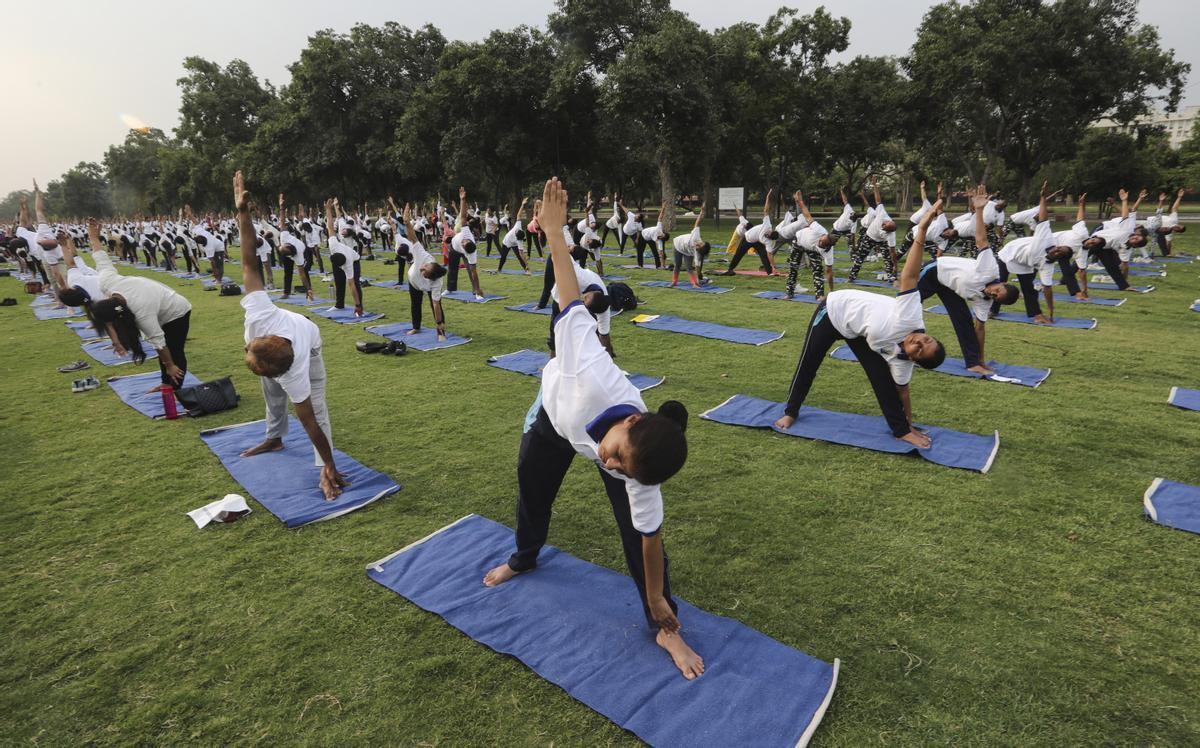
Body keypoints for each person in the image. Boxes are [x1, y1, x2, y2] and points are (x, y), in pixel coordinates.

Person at [483, 177, 703, 681]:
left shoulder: (639, 468)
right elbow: (567, 289)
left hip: (584, 424)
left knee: (635, 535)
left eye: (621, 467)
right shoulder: (589, 367)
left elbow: (647, 536)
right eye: (617, 455)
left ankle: (666, 628)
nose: (610, 463)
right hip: (556, 415)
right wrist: (557, 235)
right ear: (630, 421)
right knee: (531, 485)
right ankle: (525, 555)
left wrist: (653, 596)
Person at [774, 201, 947, 448]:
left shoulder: (901, 361)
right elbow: (909, 277)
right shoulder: (911, 317)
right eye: (926, 340)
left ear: (913, 360)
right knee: (809, 362)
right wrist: (921, 232)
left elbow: (903, 391)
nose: (918, 342)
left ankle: (899, 430)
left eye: (919, 350)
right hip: (834, 311)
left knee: (882, 379)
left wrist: (907, 425)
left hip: (860, 332)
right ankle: (791, 412)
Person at [232, 172, 344, 501]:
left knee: (317, 410)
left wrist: (329, 466)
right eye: (249, 352)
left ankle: (323, 467)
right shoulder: (260, 315)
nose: (246, 351)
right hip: (284, 338)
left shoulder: (295, 375)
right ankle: (275, 437)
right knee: (272, 398)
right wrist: (242, 213)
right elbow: (249, 260)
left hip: (310, 342)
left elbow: (310, 423)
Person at [918, 185, 1021, 375]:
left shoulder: (985, 301)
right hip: (935, 271)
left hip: (950, 286)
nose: (993, 293)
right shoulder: (990, 269)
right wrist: (980, 210)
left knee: (965, 320)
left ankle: (973, 363)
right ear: (1002, 282)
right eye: (998, 290)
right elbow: (981, 239)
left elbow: (979, 329)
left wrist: (981, 360)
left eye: (996, 297)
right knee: (909, 306)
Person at [88, 222, 193, 391]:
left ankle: (174, 388)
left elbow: (159, 342)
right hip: (157, 305)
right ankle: (166, 383)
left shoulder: (140, 311)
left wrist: (170, 365)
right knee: (164, 352)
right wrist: (93, 237)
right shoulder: (107, 283)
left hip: (177, 311)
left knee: (173, 349)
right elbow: (100, 258)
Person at [993, 183, 1072, 323]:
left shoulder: (1047, 267)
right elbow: (1043, 217)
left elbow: (1048, 289)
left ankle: (1037, 315)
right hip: (1008, 253)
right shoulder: (1046, 239)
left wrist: (1051, 312)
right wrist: (1042, 197)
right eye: (1059, 248)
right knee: (1000, 283)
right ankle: (993, 310)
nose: (1057, 251)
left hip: (1025, 265)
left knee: (1029, 289)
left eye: (1060, 254)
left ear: (1058, 259)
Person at [399, 203, 449, 341]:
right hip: (413, 283)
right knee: (415, 304)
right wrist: (407, 222)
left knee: (436, 306)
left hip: (424, 286)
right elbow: (413, 237)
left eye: (424, 272)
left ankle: (441, 330)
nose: (421, 268)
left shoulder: (436, 283)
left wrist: (439, 329)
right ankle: (416, 327)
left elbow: (436, 305)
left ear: (431, 278)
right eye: (424, 268)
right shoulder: (422, 256)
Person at [784, 191, 840, 301]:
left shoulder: (828, 252)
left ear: (826, 246)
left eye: (822, 243)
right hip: (799, 242)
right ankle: (789, 292)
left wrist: (831, 292)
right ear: (824, 235)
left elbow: (829, 272)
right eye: (821, 240)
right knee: (793, 267)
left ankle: (819, 295)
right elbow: (807, 215)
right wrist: (800, 201)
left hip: (812, 250)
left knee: (818, 269)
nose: (820, 242)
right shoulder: (819, 230)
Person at [847, 177, 898, 283]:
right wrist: (874, 184)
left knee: (887, 259)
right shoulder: (882, 214)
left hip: (881, 241)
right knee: (860, 256)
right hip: (869, 236)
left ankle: (891, 277)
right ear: (887, 221)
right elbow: (878, 200)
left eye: (884, 228)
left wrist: (896, 267)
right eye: (883, 225)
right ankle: (852, 277)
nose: (882, 226)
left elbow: (893, 252)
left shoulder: (891, 235)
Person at [718, 188, 778, 275]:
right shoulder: (767, 225)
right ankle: (730, 269)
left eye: (768, 237)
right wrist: (768, 197)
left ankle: (770, 272)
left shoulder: (769, 242)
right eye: (768, 234)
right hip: (747, 239)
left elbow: (769, 255)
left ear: (770, 239)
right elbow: (766, 210)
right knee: (738, 254)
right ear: (771, 231)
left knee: (764, 255)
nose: (767, 235)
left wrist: (773, 266)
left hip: (757, 242)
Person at [324, 198, 365, 314]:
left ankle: (359, 307)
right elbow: (330, 226)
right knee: (339, 281)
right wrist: (329, 209)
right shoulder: (333, 245)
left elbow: (351, 285)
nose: (343, 232)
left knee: (355, 284)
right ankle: (339, 305)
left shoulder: (348, 264)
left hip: (354, 260)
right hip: (340, 258)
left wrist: (356, 305)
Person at [446, 187, 486, 298]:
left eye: (463, 243)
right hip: (453, 248)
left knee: (470, 269)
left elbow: (475, 273)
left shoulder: (471, 254)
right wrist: (462, 199)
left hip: (460, 251)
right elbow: (463, 216)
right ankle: (450, 289)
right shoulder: (467, 233)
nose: (463, 241)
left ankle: (475, 291)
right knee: (452, 268)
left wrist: (479, 290)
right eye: (465, 241)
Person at [669, 204, 710, 288]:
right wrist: (702, 212)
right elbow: (697, 223)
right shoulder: (696, 236)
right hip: (677, 245)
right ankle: (674, 282)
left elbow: (697, 266)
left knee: (689, 268)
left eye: (700, 245)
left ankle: (694, 284)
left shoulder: (697, 254)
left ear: (699, 250)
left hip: (688, 252)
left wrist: (698, 277)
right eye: (702, 243)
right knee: (677, 265)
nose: (699, 243)